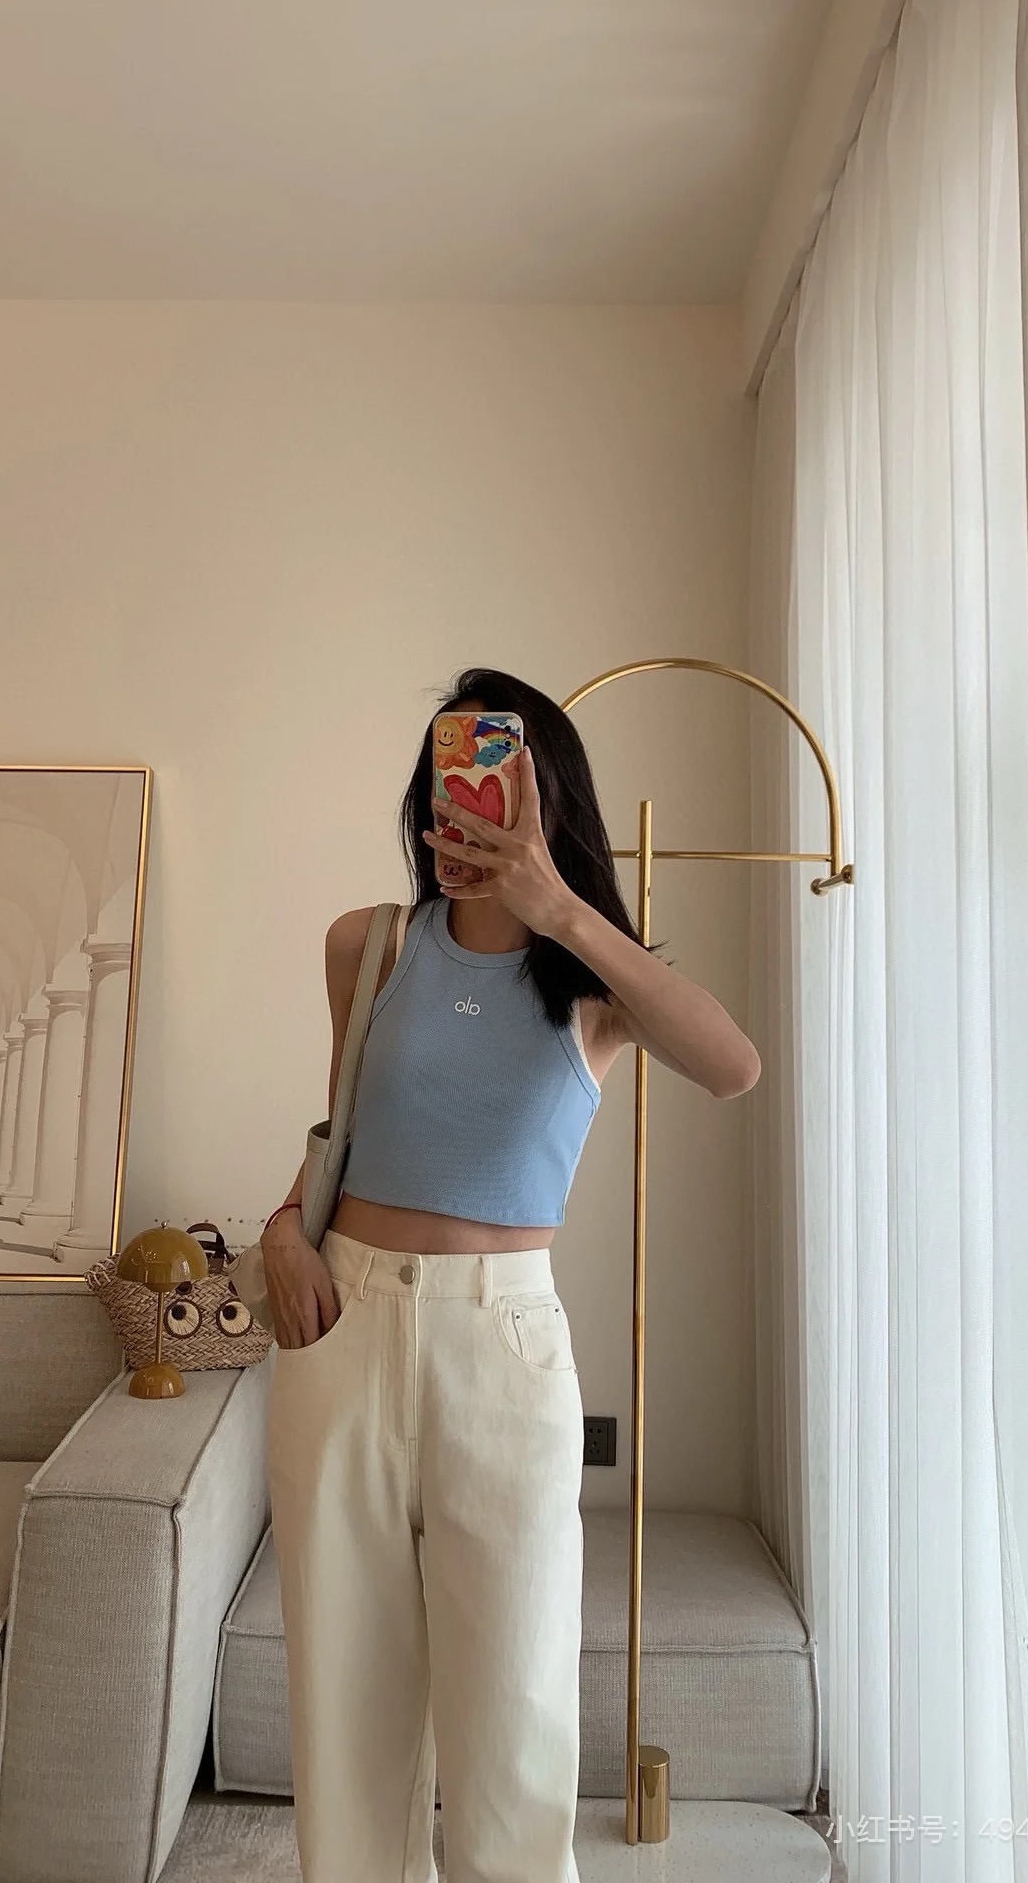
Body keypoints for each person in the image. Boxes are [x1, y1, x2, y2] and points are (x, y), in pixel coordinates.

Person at [261, 668, 761, 1883]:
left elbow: (732, 1065)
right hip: (344, 1326)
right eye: (448, 778)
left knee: (516, 1719)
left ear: (547, 800)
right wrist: (280, 1232)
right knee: (345, 1711)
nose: (463, 807)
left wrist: (562, 908)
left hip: (503, 1346)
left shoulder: (595, 992)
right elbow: (343, 1132)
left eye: (492, 780)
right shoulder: (369, 946)